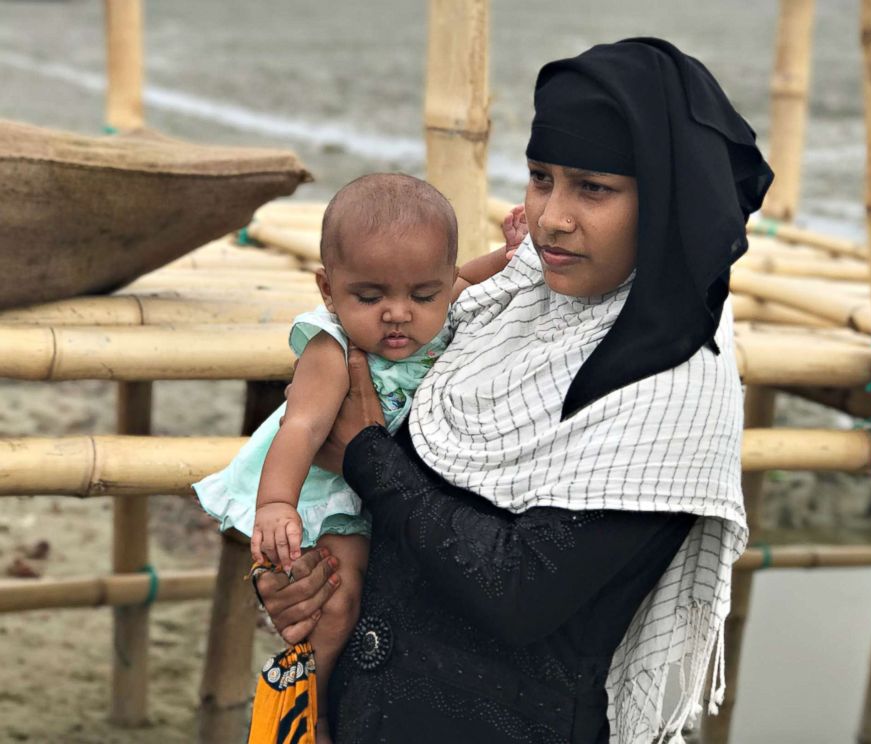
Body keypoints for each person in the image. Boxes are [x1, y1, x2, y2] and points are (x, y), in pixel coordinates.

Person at [255, 38, 773, 744]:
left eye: (593, 187)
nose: (553, 217)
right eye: (540, 177)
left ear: (667, 198)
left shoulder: (675, 385)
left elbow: (519, 590)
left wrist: (367, 457)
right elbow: (399, 515)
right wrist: (300, 577)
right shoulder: (513, 299)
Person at [194, 173, 523, 743]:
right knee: (338, 601)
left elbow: (471, 275)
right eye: (369, 297)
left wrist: (511, 255)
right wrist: (276, 503)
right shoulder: (332, 349)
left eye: (422, 295)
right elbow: (300, 430)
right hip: (332, 489)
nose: (398, 314)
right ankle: (312, 710)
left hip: (395, 483)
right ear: (327, 290)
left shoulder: (443, 309)